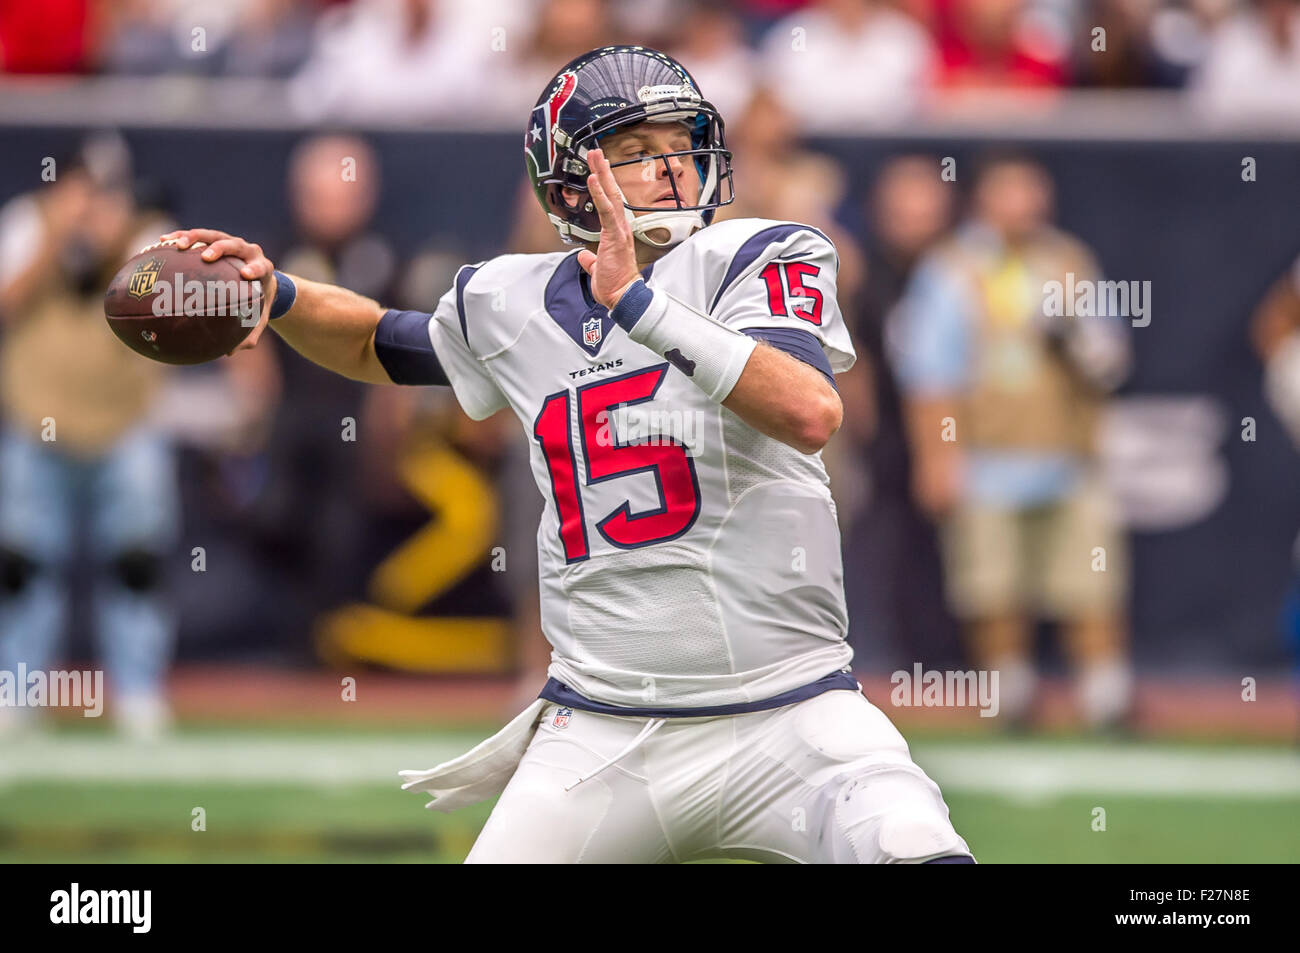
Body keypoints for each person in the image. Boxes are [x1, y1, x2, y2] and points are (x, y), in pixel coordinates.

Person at [163, 46, 973, 864]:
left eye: (678, 143)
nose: (671, 169)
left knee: (914, 843)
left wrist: (641, 307)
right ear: (569, 186)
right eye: (633, 151)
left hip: (793, 710)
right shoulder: (510, 299)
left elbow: (807, 408)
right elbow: (380, 341)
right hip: (607, 726)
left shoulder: (757, 254)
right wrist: (283, 294)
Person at [890, 152, 1133, 731]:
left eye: (1032, 192)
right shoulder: (951, 270)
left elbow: (1111, 360)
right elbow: (929, 375)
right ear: (983, 200)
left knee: (1089, 580)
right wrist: (937, 456)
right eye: (1010, 192)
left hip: (1067, 453)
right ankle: (1010, 692)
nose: (1024, 206)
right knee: (992, 586)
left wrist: (1076, 337)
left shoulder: (1068, 261)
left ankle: (1105, 696)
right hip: (986, 456)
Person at [0, 138, 179, 739]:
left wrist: (114, 248)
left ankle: (138, 692)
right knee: (23, 566)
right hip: (38, 423)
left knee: (135, 564)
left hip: (125, 426)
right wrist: (57, 236)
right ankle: (16, 692)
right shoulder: (28, 223)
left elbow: (172, 310)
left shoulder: (148, 234)